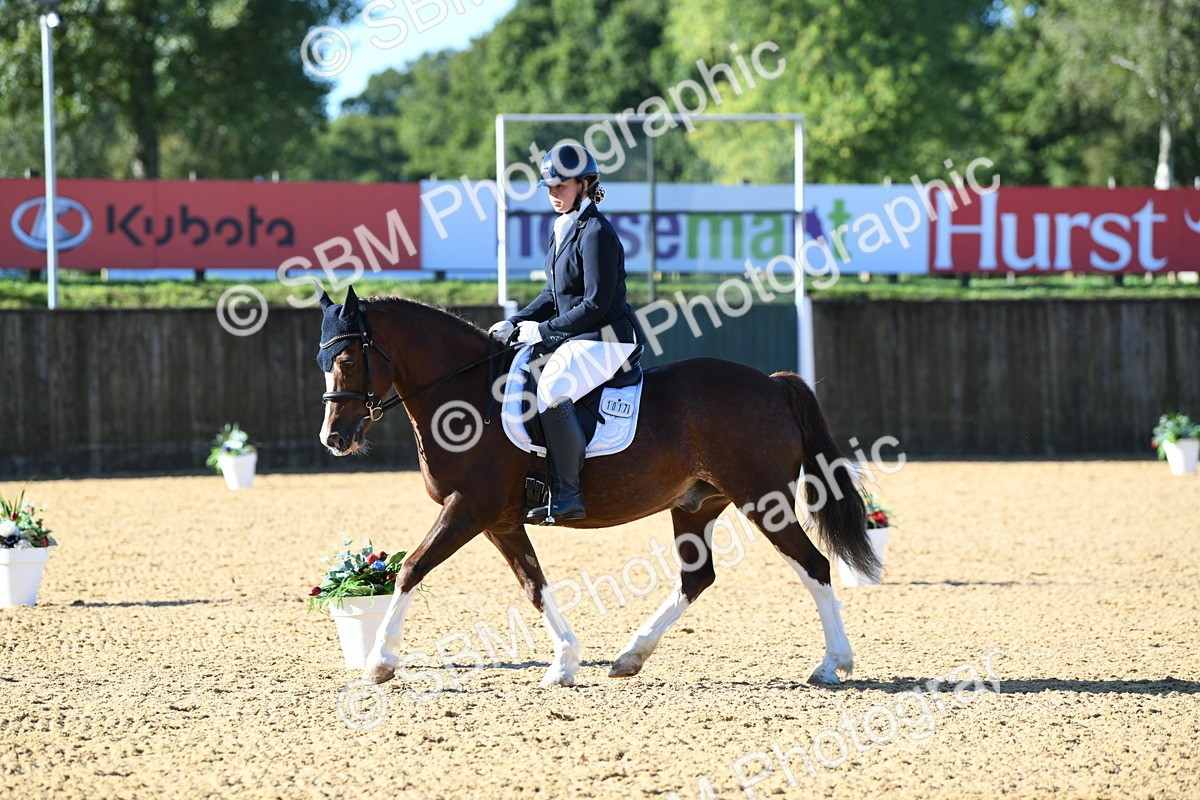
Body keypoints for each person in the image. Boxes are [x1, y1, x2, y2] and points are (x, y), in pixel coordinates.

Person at [489, 143, 645, 524]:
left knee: (553, 387)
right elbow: (552, 294)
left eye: (561, 186)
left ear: (585, 184)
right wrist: (516, 320)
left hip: (610, 337)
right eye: (550, 187)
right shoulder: (562, 228)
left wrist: (542, 331)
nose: (554, 194)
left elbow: (595, 303)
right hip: (579, 336)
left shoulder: (596, 232)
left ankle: (568, 493)